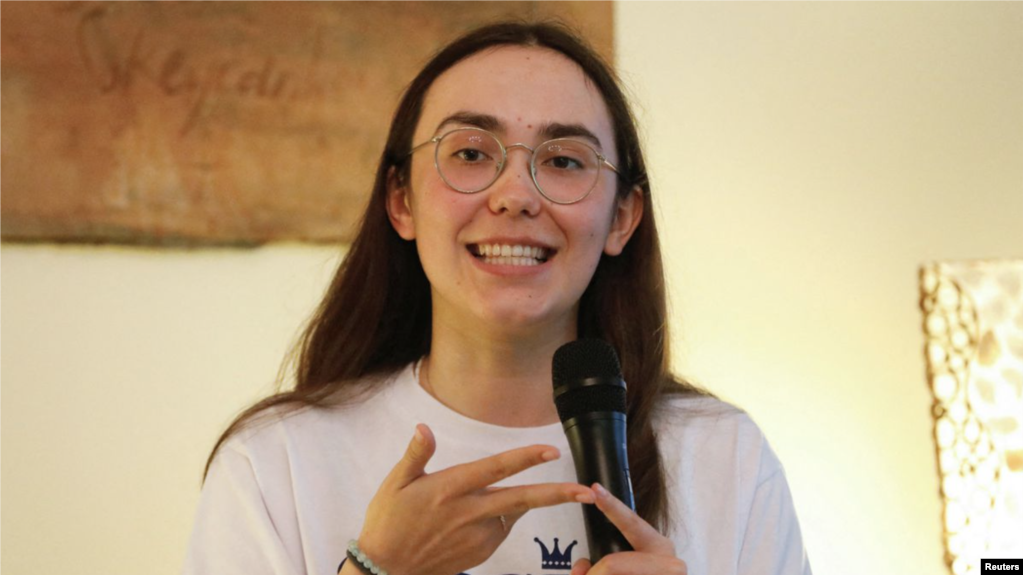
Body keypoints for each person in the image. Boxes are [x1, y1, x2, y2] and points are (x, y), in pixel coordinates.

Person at [183, 21, 812, 575]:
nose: (516, 195)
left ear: (623, 218)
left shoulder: (722, 458)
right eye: (470, 153)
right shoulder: (277, 463)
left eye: (564, 161)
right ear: (401, 200)